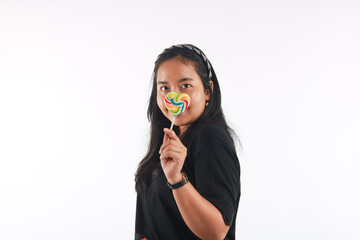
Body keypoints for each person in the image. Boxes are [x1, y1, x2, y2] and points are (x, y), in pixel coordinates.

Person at [135, 44, 241, 240]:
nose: (173, 95)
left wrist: (177, 179)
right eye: (164, 88)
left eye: (185, 86)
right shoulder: (169, 140)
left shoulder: (210, 137)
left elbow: (215, 232)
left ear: (208, 90)